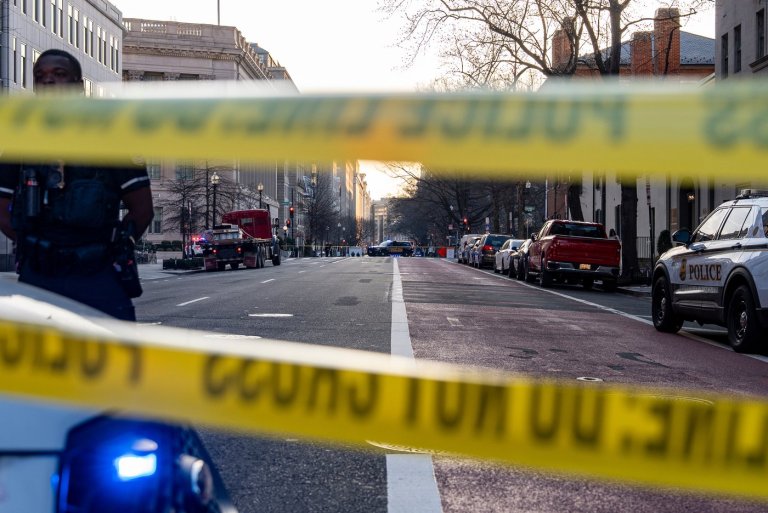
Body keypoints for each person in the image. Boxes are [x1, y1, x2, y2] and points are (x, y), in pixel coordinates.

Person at [0, 49, 154, 321]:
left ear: (79, 86)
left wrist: (117, 246)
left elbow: (142, 209)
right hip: (40, 276)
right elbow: (1, 206)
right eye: (40, 76)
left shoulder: (112, 136)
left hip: (97, 273)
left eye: (59, 74)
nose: (48, 81)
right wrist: (34, 244)